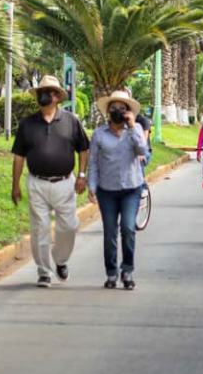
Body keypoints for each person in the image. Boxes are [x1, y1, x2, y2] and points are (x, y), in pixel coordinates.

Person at [11, 75, 90, 288]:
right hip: (37, 182)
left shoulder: (71, 121)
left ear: (57, 97)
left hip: (65, 183)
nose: (44, 95)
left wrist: (82, 176)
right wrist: (15, 185)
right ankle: (43, 271)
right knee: (40, 228)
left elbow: (83, 149)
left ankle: (61, 260)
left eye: (49, 92)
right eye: (41, 92)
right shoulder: (28, 124)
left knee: (69, 226)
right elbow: (19, 156)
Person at [89, 90, 148, 290]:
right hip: (107, 190)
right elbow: (94, 163)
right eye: (114, 108)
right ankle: (111, 272)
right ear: (108, 111)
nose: (118, 111)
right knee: (110, 232)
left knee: (128, 228)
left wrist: (131, 127)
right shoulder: (99, 134)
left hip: (131, 188)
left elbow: (142, 152)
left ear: (129, 112)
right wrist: (91, 186)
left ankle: (128, 270)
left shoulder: (136, 129)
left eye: (122, 108)